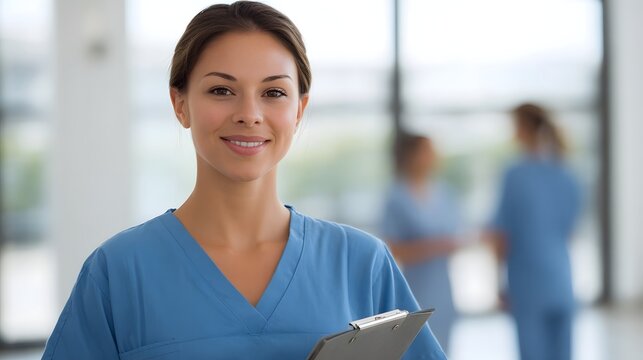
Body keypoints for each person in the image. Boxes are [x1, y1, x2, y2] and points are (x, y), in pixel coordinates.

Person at [41, 2, 446, 359]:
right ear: (180, 104)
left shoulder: (361, 263)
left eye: (273, 93)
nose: (249, 113)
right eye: (221, 90)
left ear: (299, 109)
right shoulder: (118, 271)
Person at [487, 103, 582, 360]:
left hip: (528, 283)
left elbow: (500, 236)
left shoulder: (515, 175)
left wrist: (497, 283)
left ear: (524, 128)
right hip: (561, 280)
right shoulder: (566, 173)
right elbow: (570, 230)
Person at [380, 133, 463, 355]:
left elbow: (456, 237)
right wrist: (433, 247)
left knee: (442, 351)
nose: (434, 157)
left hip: (444, 291)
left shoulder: (445, 193)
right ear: (411, 156)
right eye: (427, 151)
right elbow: (393, 250)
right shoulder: (397, 197)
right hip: (415, 290)